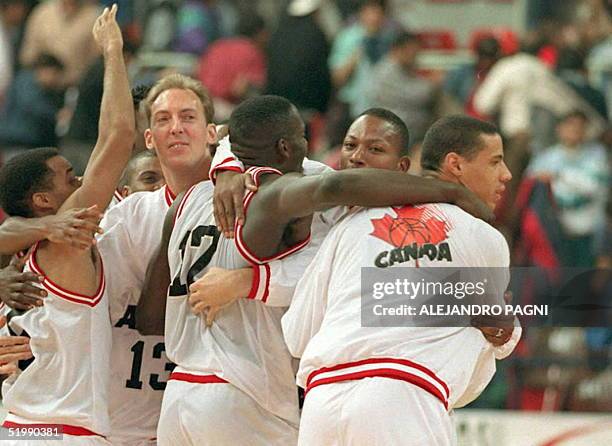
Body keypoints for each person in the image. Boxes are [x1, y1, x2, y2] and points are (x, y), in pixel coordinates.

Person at [136, 98, 493, 445]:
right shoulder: (306, 181)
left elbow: (149, 318)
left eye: (375, 149)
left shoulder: (189, 199)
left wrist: (248, 278)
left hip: (183, 392)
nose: (357, 156)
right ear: (288, 147)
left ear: (402, 167)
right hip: (249, 389)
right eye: (350, 144)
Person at [282, 115, 517, 445]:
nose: (505, 174)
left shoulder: (351, 224)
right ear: (456, 165)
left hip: (322, 400)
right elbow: (497, 332)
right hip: (405, 396)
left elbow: (296, 336)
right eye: (495, 162)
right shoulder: (483, 237)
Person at [0, 5, 133, 444]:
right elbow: (116, 137)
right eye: (67, 177)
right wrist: (113, 52)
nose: (79, 179)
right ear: (42, 201)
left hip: (17, 423)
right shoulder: (64, 239)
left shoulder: (18, 260)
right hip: (63, 429)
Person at [94, 73, 217, 446]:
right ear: (149, 138)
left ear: (212, 132)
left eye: (188, 117)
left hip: (218, 406)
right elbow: (77, 301)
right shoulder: (128, 214)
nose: (176, 128)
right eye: (163, 120)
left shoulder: (247, 199)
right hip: (129, 417)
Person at [367, 31, 439, 145]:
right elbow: (417, 96)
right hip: (396, 133)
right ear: (400, 49)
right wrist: (433, 83)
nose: (415, 56)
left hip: (410, 129)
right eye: (413, 51)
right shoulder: (387, 71)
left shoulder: (403, 68)